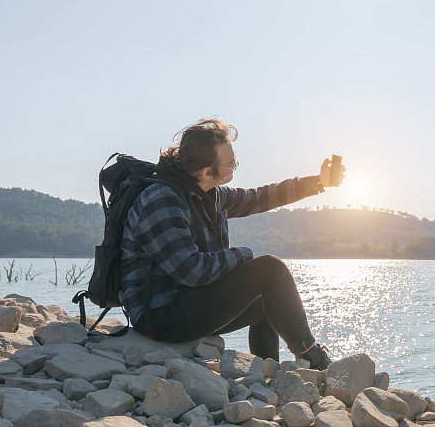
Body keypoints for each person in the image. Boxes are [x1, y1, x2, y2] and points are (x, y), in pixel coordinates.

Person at [117, 118, 344, 370]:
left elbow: (259, 197)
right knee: (270, 269)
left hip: (187, 301)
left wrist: (319, 182)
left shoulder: (208, 193)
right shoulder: (162, 200)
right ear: (205, 171)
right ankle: (314, 358)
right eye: (231, 163)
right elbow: (192, 270)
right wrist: (243, 255)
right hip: (159, 316)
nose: (236, 166)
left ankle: (267, 373)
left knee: (269, 300)